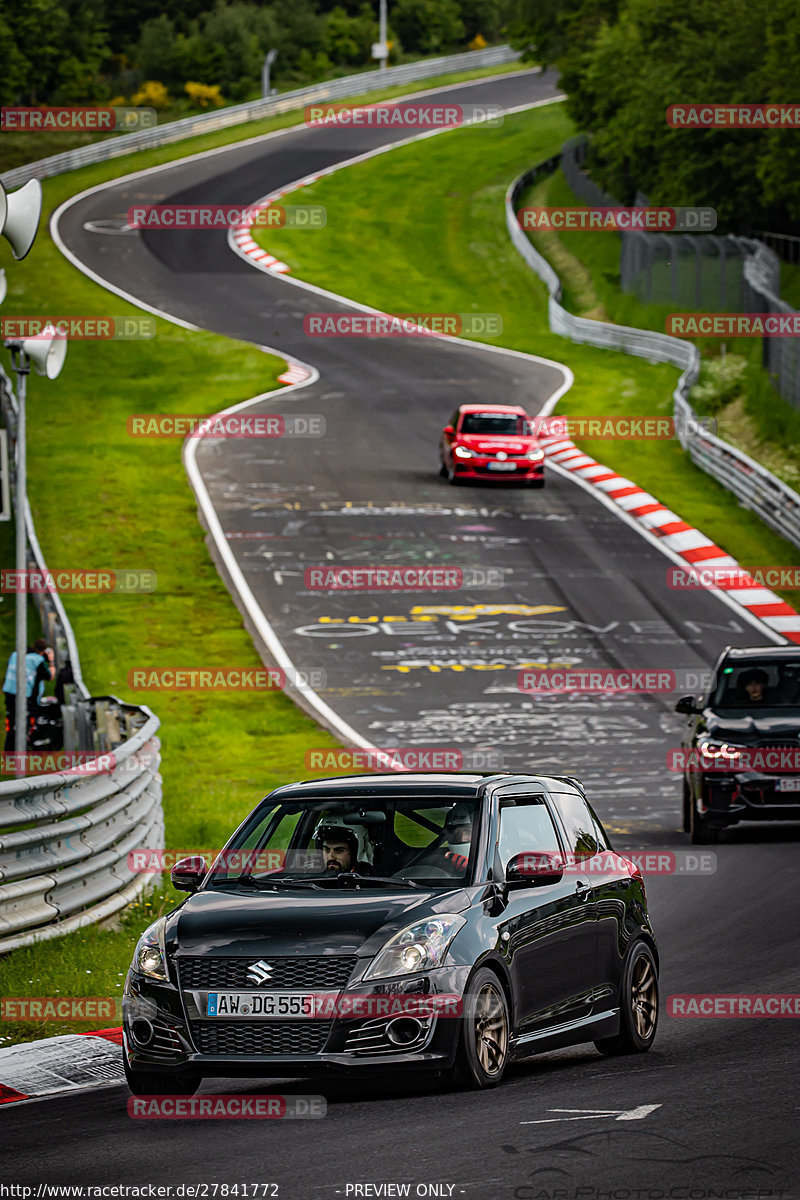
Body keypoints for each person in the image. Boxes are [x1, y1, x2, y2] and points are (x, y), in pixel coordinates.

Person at [3, 639, 55, 752]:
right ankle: (24, 749)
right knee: (26, 723)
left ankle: (9, 752)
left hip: (9, 693)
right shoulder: (37, 660)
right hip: (25, 696)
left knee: (12, 724)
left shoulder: (15, 655)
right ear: (43, 651)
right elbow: (50, 676)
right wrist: (51, 661)